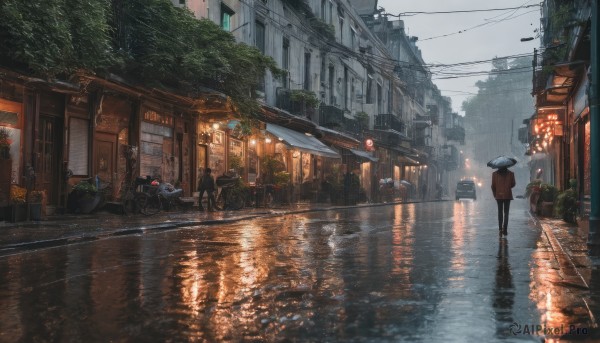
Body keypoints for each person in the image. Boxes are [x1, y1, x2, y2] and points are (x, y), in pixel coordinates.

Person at [491, 166, 516, 236]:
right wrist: (508, 186)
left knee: (500, 212)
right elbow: (513, 184)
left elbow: (493, 186)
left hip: (498, 196)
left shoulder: (494, 174)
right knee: (506, 213)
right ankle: (505, 229)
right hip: (507, 195)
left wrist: (495, 194)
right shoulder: (511, 174)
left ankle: (500, 229)